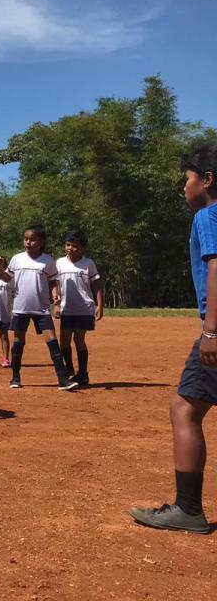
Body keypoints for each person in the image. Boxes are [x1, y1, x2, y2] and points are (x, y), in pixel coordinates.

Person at [130, 144, 217, 534]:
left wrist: (211, 331)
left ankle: (188, 509)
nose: (184, 187)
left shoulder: (208, 215)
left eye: (187, 178)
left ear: (207, 180)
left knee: (184, 408)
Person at [0, 226, 78, 391]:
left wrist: (56, 297)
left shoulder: (47, 261)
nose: (28, 242)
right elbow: (8, 279)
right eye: (26, 238)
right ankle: (15, 377)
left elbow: (53, 281)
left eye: (32, 239)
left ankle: (62, 379)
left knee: (52, 341)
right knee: (18, 342)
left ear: (40, 242)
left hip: (41, 309)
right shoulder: (17, 259)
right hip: (21, 308)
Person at [55, 230, 104, 387]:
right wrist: (55, 304)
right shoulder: (59, 263)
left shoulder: (88, 264)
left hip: (84, 307)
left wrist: (100, 305)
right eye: (68, 245)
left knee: (79, 339)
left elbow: (97, 285)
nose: (70, 248)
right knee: (64, 339)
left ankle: (82, 373)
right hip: (66, 308)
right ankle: (69, 368)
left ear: (84, 248)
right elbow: (55, 285)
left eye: (75, 246)